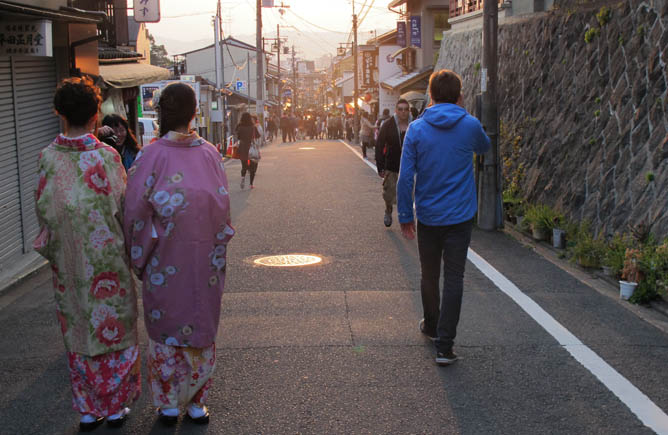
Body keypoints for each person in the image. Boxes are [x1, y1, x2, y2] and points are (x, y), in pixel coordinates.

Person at [123, 82, 235, 426]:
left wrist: (138, 255)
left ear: (161, 113)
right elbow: (222, 208)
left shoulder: (149, 156)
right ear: (194, 113)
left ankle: (169, 402)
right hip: (204, 257)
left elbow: (134, 211)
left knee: (165, 325)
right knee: (200, 322)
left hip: (163, 257)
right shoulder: (210, 154)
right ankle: (196, 401)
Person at [33, 77, 140, 431]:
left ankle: (86, 410)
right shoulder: (107, 157)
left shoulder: (48, 158)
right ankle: (113, 407)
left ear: (58, 113)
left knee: (78, 331)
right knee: (114, 327)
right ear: (96, 115)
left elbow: (44, 210)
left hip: (70, 261)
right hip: (108, 258)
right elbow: (124, 209)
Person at [397, 69, 491, 366]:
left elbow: (405, 177)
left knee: (429, 274)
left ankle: (431, 324)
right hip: (460, 216)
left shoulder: (416, 129)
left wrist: (403, 214)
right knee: (454, 277)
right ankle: (445, 345)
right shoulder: (470, 125)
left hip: (428, 215)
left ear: (431, 95)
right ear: (459, 95)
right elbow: (484, 147)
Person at [375, 99, 412, 227]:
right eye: (400, 109)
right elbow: (379, 145)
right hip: (392, 164)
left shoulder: (414, 124)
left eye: (406, 109)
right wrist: (380, 166)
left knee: (409, 194)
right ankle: (388, 210)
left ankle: (407, 218)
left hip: (410, 166)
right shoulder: (388, 124)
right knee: (389, 193)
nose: (403, 112)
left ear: (409, 111)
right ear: (396, 110)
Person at [236, 112, 260, 189]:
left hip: (242, 147)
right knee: (252, 166)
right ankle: (251, 184)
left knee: (244, 166)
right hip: (251, 146)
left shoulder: (239, 127)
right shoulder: (253, 127)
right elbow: (258, 135)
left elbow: (238, 137)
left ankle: (243, 178)